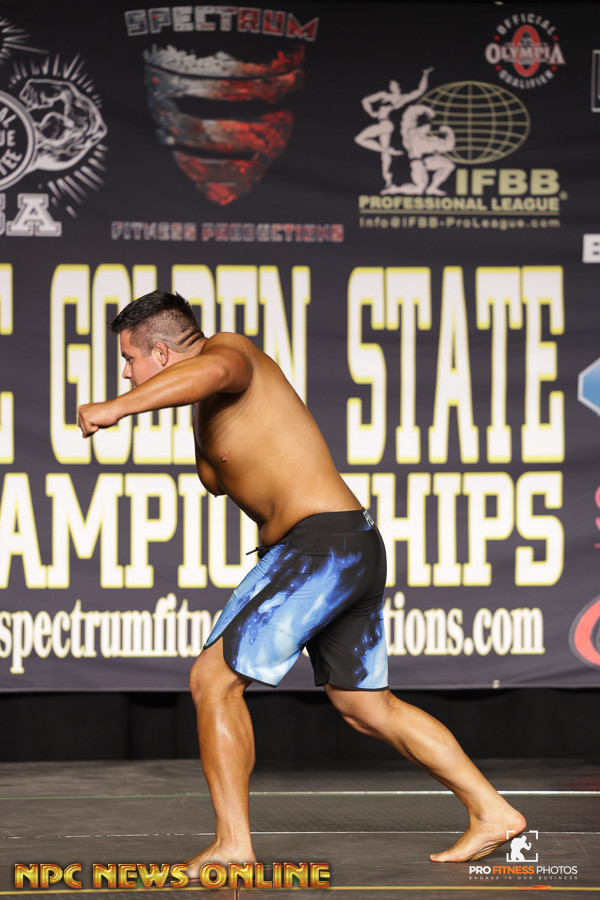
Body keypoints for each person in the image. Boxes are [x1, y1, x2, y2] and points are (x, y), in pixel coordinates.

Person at [77, 290, 525, 874]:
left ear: (161, 354)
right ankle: (493, 811)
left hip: (321, 548)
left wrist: (118, 407)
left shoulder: (229, 352)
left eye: (129, 360)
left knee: (213, 680)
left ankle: (233, 846)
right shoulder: (206, 400)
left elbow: (214, 370)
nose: (126, 373)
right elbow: (220, 466)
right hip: (336, 547)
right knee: (365, 705)